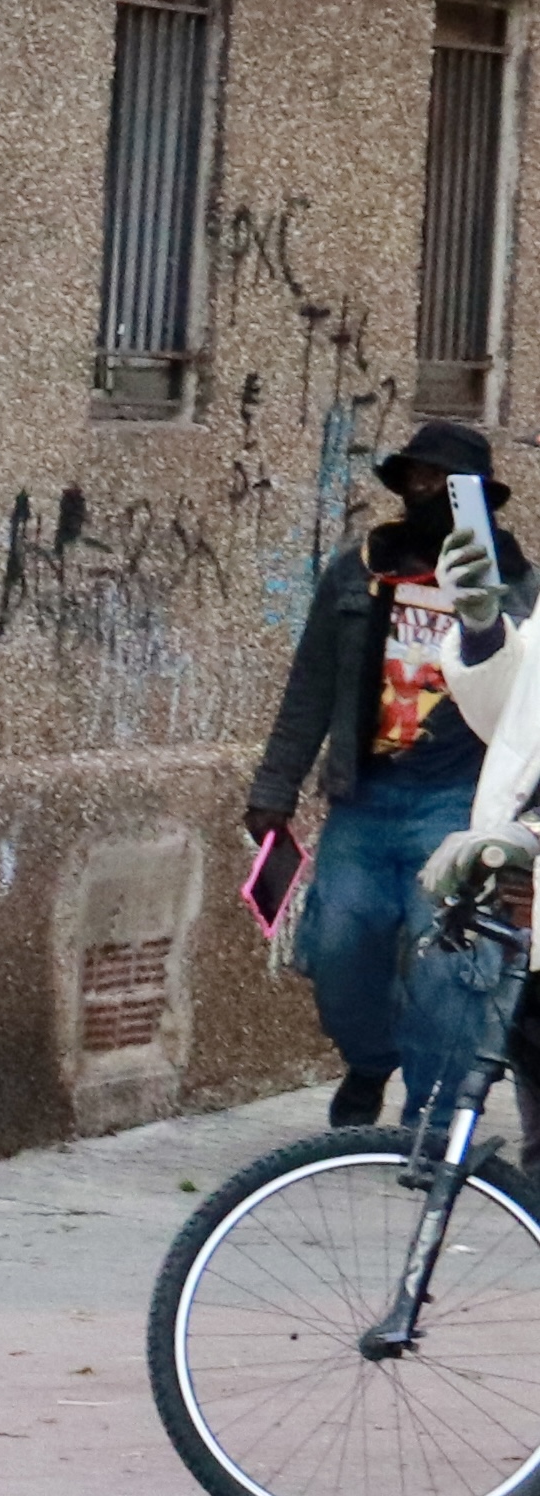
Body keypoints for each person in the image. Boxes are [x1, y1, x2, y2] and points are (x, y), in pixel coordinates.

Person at [251, 420, 532, 1126]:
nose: (424, 491)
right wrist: (273, 789)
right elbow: (311, 683)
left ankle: (432, 1107)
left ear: (478, 499)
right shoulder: (360, 568)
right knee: (341, 944)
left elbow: (522, 703)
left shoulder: (515, 587)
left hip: (455, 801)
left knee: (443, 962)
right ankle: (371, 1059)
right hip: (366, 794)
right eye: (415, 477)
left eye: (443, 482)